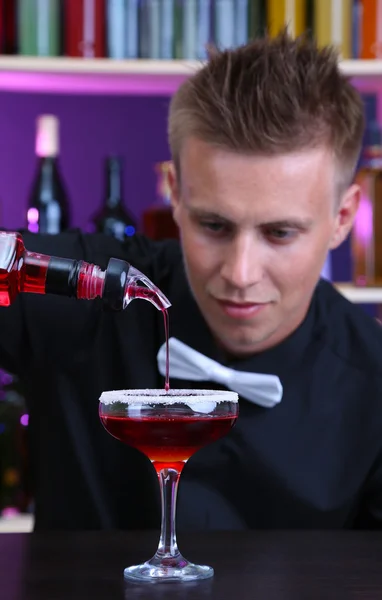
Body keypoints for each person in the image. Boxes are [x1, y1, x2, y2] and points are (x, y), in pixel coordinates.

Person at [2, 30, 382, 531]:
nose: (240, 273)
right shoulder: (87, 287)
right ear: (176, 194)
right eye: (214, 226)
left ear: (342, 217)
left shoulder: (373, 378)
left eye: (280, 232)